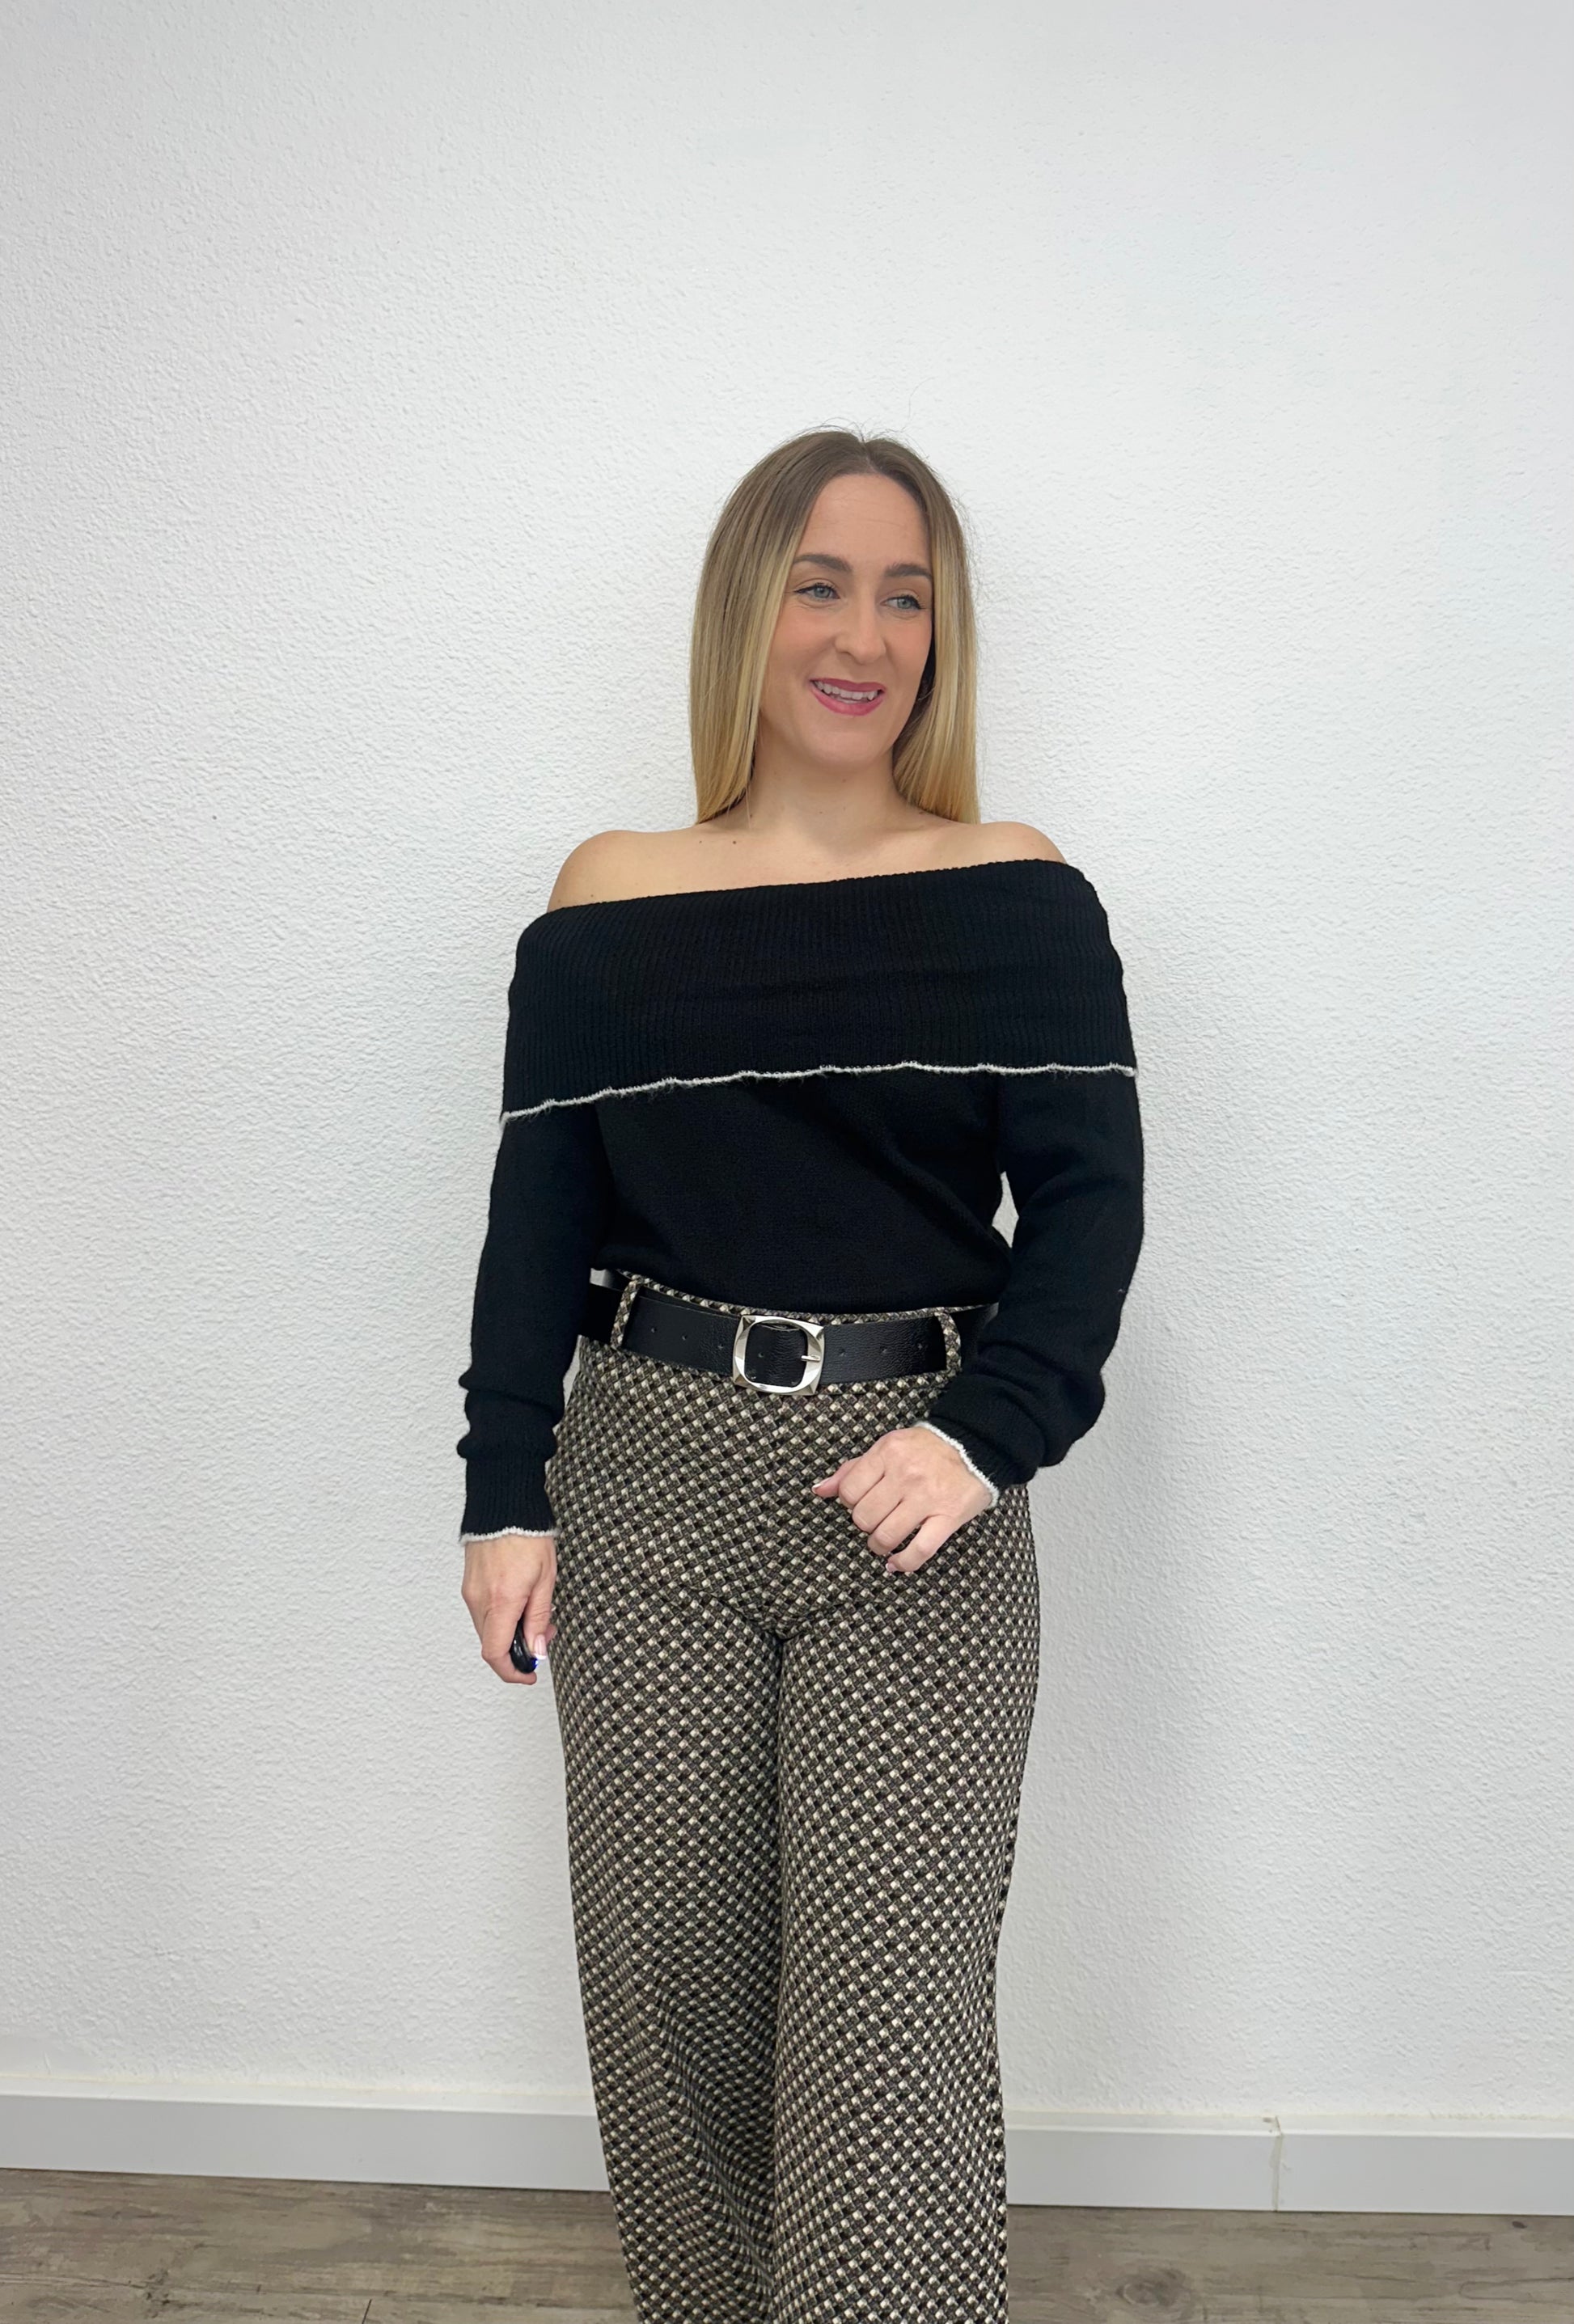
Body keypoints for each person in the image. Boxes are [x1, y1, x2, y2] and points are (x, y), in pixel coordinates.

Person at [455, 426, 1145, 2323]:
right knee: (672, 1991)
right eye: (820, 585)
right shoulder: (608, 898)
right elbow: (537, 1223)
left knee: (880, 2013)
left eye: (906, 597)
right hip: (646, 1482)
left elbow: (1087, 1216)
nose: (863, 636)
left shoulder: (1015, 893)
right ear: (745, 612)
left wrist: (982, 1440)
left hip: (914, 1495)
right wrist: (503, 1492)